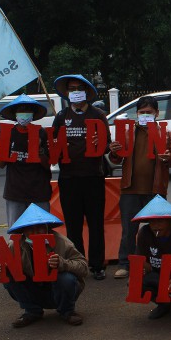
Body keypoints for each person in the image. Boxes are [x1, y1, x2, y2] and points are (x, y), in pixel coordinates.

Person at [108, 96, 171, 279]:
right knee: (128, 230)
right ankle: (125, 264)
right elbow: (115, 159)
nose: (145, 115)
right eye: (142, 112)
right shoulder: (126, 133)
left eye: (149, 112)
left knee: (159, 229)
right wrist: (114, 151)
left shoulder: (167, 135)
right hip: (130, 189)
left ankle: (157, 264)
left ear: (157, 113)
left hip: (155, 190)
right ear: (137, 114)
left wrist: (170, 158)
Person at [52, 74, 111, 280]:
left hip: (93, 177)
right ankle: (78, 264)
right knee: (73, 225)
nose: (75, 91)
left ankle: (97, 265)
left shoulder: (98, 115)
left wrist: (100, 143)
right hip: (69, 179)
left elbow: (107, 144)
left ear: (86, 91)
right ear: (67, 92)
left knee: (96, 223)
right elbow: (52, 145)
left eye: (79, 88)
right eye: (71, 88)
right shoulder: (61, 116)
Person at [0, 204, 88, 327]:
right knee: (9, 272)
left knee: (66, 278)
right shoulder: (14, 245)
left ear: (47, 227)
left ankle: (67, 311)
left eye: (40, 228)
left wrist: (62, 263)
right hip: (33, 289)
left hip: (58, 289)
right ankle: (32, 311)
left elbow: (83, 267)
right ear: (23, 231)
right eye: (30, 229)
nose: (36, 232)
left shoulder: (62, 242)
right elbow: (4, 274)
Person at [0, 94, 52, 227]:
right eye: (21, 110)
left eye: (28, 110)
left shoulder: (42, 133)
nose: (24, 113)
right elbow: (0, 164)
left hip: (39, 192)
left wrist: (39, 150)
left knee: (41, 232)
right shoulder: (6, 134)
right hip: (15, 193)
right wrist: (6, 148)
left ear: (33, 114)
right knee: (16, 232)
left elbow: (48, 164)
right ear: (15, 114)